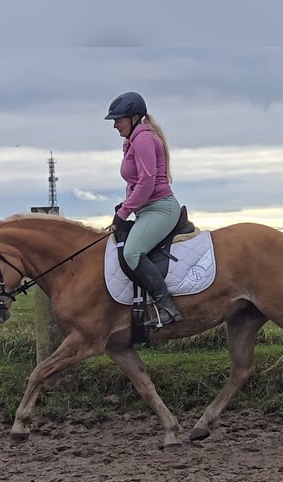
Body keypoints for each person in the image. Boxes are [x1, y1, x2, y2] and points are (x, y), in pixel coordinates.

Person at [106, 91, 183, 326]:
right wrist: (127, 204)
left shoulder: (143, 139)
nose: (115, 125)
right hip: (146, 209)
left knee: (131, 252)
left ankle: (166, 306)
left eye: (118, 120)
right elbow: (135, 182)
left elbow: (147, 182)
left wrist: (123, 212)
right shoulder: (132, 140)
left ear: (135, 117)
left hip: (160, 209)